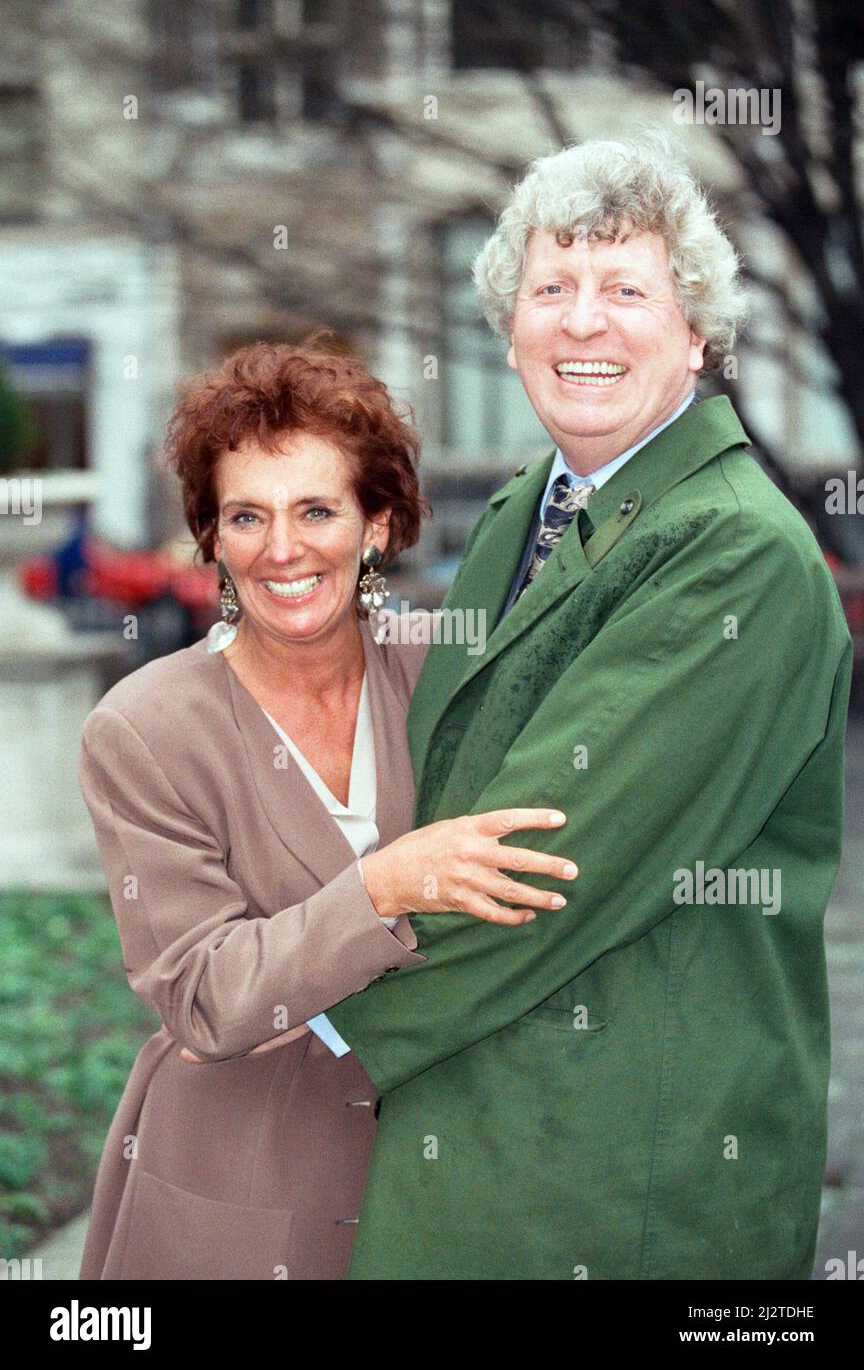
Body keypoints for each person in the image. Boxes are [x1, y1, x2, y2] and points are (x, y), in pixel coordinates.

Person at [280, 133, 853, 1279]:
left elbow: (543, 859)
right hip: (475, 1128)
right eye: (553, 286)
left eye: (627, 288)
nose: (583, 321)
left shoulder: (737, 550)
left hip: (620, 1170)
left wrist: (304, 1030)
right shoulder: (518, 512)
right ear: (509, 326)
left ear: (697, 334)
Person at [76, 340, 573, 1280]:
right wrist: (388, 887)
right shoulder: (141, 729)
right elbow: (207, 1000)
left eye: (316, 509)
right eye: (247, 517)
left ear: (378, 523)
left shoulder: (449, 673)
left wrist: (294, 978)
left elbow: (532, 892)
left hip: (449, 1164)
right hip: (240, 1181)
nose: (283, 548)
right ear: (213, 539)